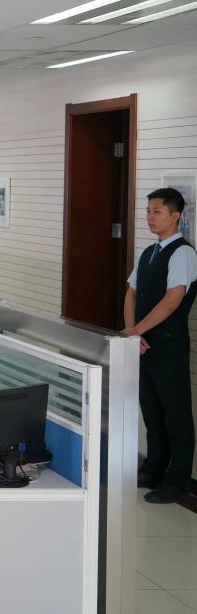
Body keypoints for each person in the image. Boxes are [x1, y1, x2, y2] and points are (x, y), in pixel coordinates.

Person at [124, 187, 197, 503]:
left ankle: (177, 480)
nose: (150, 217)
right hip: (141, 344)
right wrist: (133, 334)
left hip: (169, 345)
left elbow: (172, 300)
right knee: (151, 411)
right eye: (148, 211)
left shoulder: (183, 253)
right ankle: (154, 469)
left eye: (157, 211)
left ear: (176, 215)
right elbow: (131, 293)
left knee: (175, 414)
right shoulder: (147, 252)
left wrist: (136, 331)